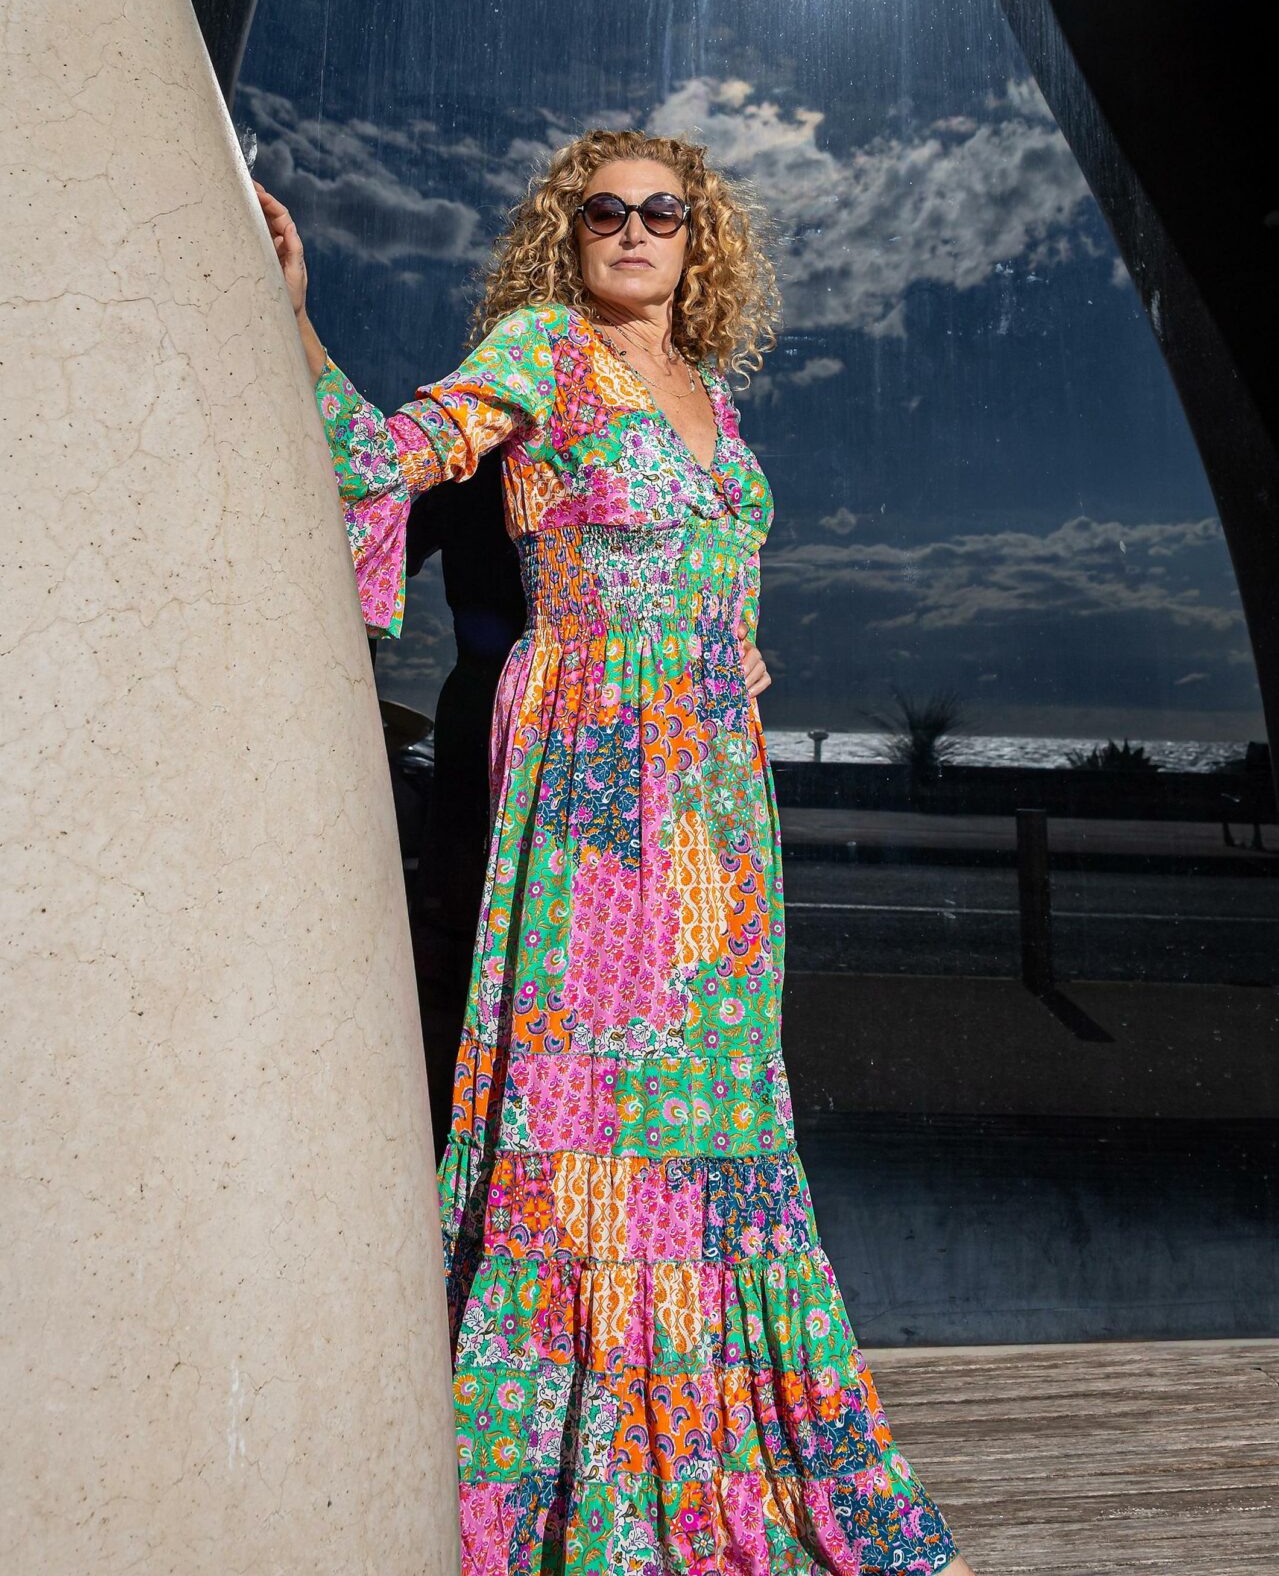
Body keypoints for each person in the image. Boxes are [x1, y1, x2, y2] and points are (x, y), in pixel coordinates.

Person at [255, 132, 973, 1574]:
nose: (635, 229)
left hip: (715, 808)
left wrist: (739, 654)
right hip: (593, 783)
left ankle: (719, 1449)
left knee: (716, 1113)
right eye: (606, 210)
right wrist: (295, 317)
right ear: (568, 232)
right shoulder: (544, 349)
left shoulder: (711, 395)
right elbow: (380, 464)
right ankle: (580, 1477)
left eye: (665, 212)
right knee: (591, 1114)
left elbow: (722, 576)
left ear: (699, 243)